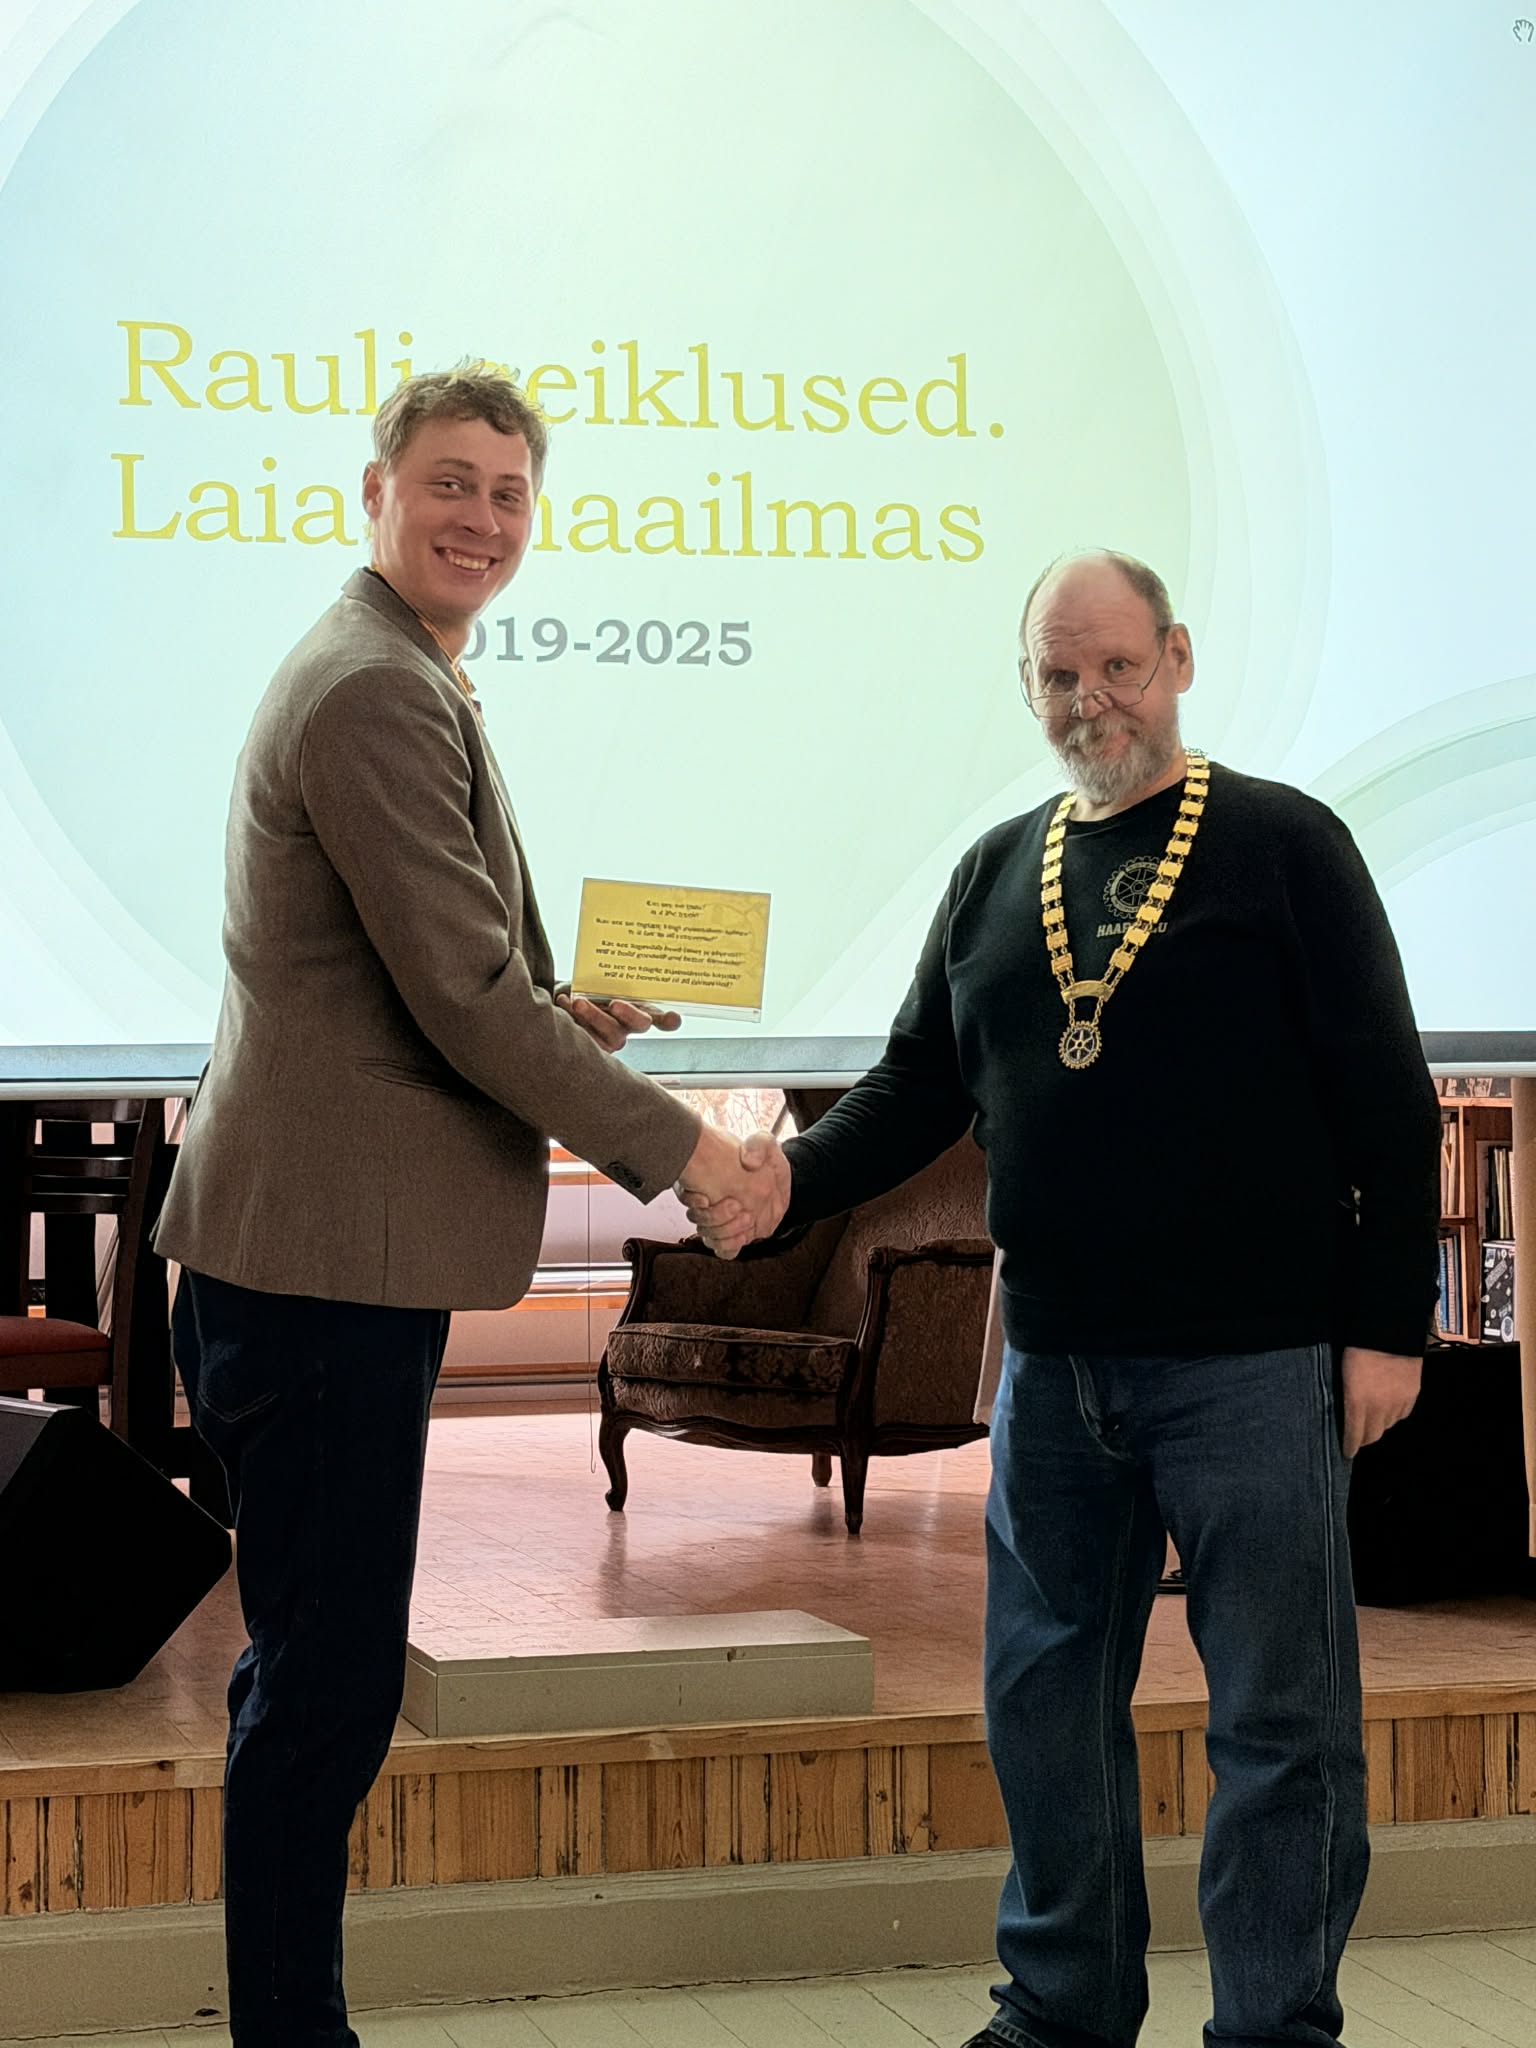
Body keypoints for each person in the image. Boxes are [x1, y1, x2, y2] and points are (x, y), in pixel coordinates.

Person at [688, 550, 1440, 2048]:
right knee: (1043, 1705)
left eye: (1117, 666)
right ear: (1027, 686)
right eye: (1058, 675)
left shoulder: (1287, 843)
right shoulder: (994, 868)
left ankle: (1273, 2028)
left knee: (1280, 1725)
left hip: (1255, 1366)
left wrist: (1386, 1331)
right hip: (1054, 1374)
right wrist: (787, 1184)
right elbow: (916, 1084)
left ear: (1178, 656)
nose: (1090, 699)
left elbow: (1390, 1103)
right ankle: (1061, 2013)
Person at [155, 364, 764, 2048]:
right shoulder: (373, 686)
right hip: (319, 1277)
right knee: (325, 1691)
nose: (480, 518)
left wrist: (557, 1012)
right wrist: (690, 1153)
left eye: (507, 490)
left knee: (316, 1675)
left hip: (321, 1262)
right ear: (375, 491)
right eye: (448, 482)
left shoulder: (398, 665)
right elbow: (461, 1001)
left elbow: (423, 983)